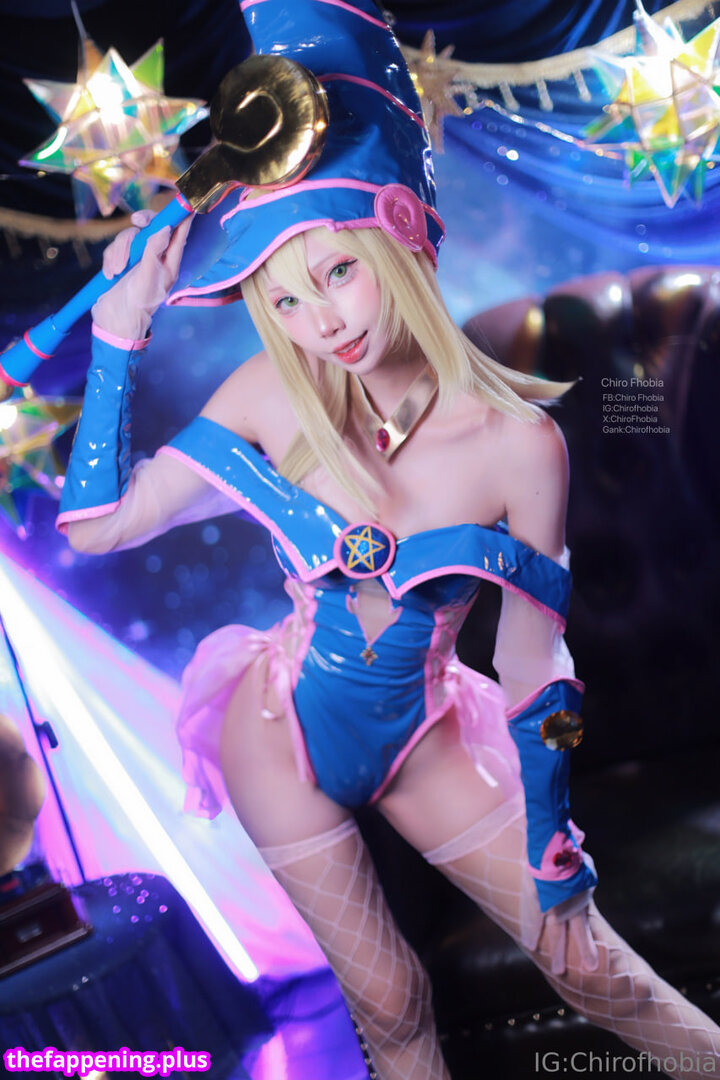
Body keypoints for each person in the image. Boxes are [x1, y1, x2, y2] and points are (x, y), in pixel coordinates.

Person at [55, 2, 720, 1077]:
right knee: (394, 1003)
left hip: (427, 732)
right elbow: (98, 526)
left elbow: (535, 666)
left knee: (599, 972)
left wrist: (556, 845)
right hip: (277, 733)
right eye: (285, 298)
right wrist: (117, 334)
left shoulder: (520, 445)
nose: (323, 321)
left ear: (399, 237)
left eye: (338, 271)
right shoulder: (271, 395)